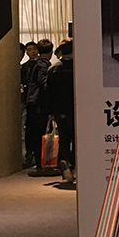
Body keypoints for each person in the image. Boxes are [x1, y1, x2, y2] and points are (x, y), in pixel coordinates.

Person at [22, 39, 54, 169]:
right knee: (39, 132)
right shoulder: (42, 65)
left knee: (35, 132)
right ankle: (40, 163)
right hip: (38, 104)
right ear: (51, 52)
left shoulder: (37, 64)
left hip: (33, 102)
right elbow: (43, 83)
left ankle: (39, 161)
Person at [46, 39, 75, 183]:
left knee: (64, 138)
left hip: (60, 110)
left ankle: (64, 164)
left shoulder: (53, 69)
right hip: (77, 108)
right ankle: (74, 166)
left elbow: (48, 92)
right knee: (77, 139)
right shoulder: (78, 67)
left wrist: (51, 111)